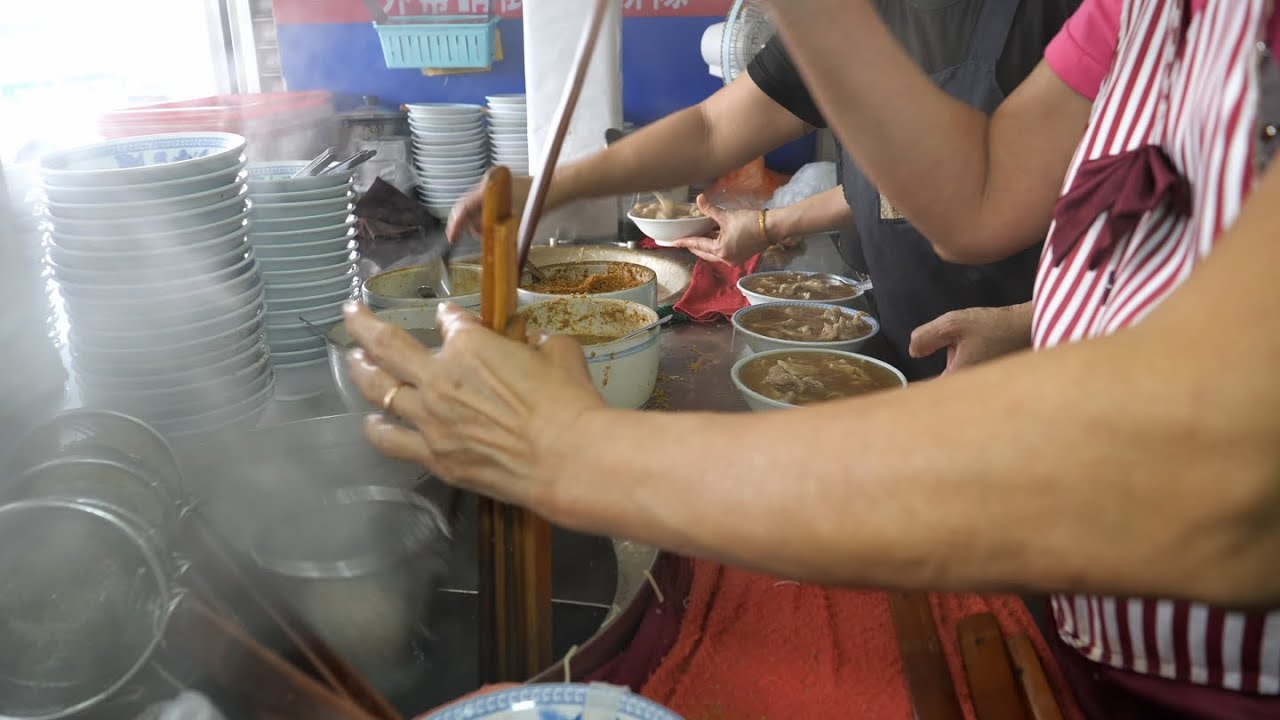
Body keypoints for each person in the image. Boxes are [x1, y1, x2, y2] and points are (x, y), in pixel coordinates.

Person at [347, 0, 1280, 716]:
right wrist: (1054, 318)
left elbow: (1222, 471)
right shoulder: (1140, 11)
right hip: (1084, 628)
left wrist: (570, 452)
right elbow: (984, 196)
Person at [448, 0, 1078, 380]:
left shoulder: (1070, 15)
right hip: (905, 350)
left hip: (1047, 362)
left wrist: (1034, 323)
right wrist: (545, 188)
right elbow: (711, 126)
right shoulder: (858, 17)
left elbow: (1161, 228)